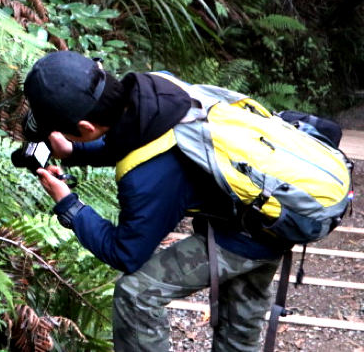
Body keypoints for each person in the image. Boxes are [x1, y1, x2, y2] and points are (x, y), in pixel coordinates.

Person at [22, 51, 290, 351]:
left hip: (246, 229)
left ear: (86, 127)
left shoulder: (145, 180)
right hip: (272, 204)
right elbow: (140, 137)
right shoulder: (154, 86)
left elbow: (126, 253)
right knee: (240, 324)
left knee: (136, 294)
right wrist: (74, 150)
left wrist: (69, 204)